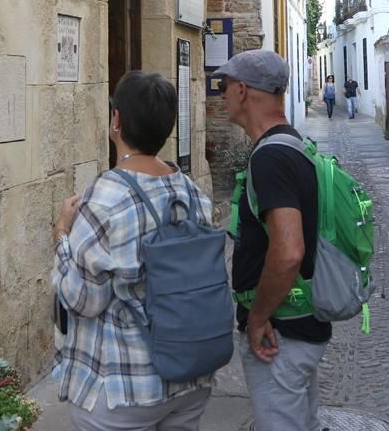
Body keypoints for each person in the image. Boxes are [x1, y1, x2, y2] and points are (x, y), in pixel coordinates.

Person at [52, 71, 216, 431]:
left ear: (116, 121)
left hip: (126, 383)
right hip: (189, 375)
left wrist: (62, 235)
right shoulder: (190, 192)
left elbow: (83, 299)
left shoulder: (106, 196)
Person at [212, 49, 331, 431]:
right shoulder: (294, 145)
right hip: (300, 324)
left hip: (282, 335)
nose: (222, 95)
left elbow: (289, 250)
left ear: (243, 91)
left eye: (224, 86)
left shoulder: (270, 158)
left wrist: (258, 318)